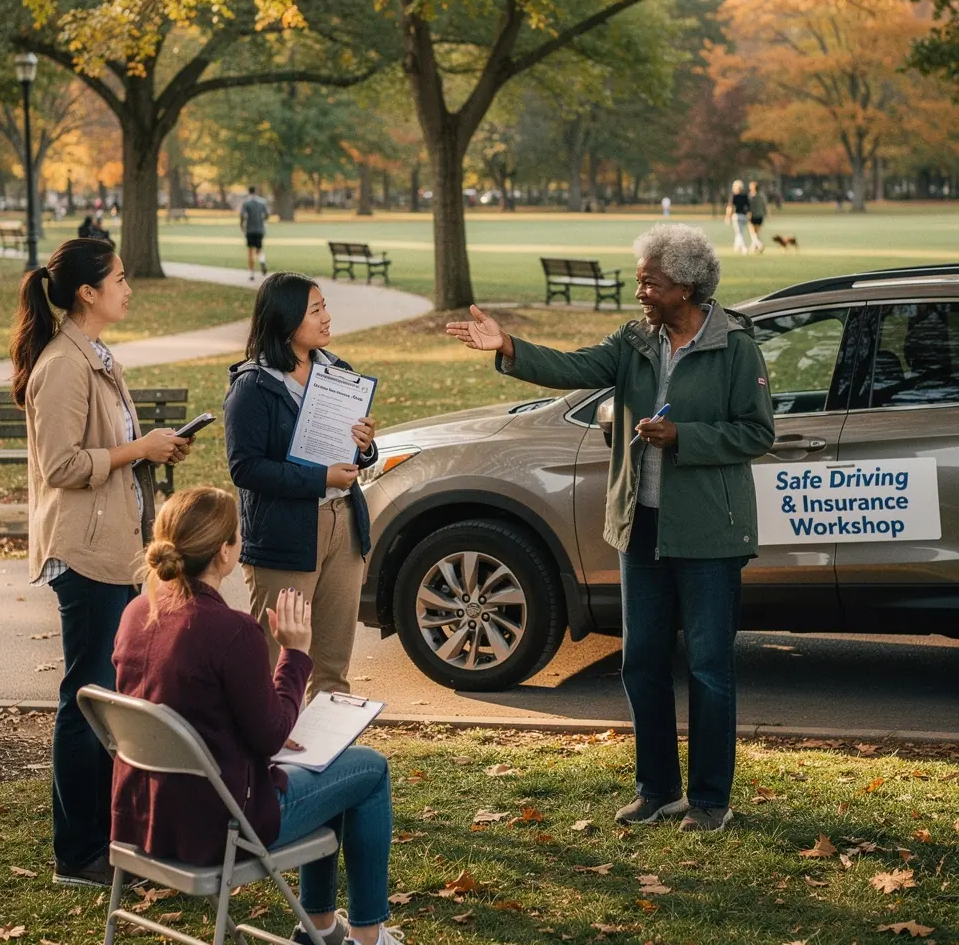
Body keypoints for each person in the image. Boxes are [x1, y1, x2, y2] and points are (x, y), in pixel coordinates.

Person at [445, 223, 775, 833]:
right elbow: (574, 366)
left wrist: (684, 437)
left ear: (686, 287)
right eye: (640, 280)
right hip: (640, 526)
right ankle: (658, 791)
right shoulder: (634, 340)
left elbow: (757, 433)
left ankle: (710, 800)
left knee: (708, 667)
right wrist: (508, 345)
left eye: (651, 282)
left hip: (708, 533)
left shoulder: (735, 347)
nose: (640, 291)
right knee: (640, 661)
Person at [112, 487, 397, 945]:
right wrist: (295, 654)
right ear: (225, 552)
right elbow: (270, 734)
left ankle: (320, 929)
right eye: (237, 535)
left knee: (322, 764)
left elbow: (187, 709)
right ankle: (366, 937)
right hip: (224, 827)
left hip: (147, 816)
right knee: (369, 769)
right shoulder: (232, 630)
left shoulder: (136, 612)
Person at [9, 238, 192, 886]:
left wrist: (153, 448)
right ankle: (78, 852)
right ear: (87, 293)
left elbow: (110, 447)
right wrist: (137, 449)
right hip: (82, 553)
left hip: (115, 550)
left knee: (107, 700)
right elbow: (61, 465)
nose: (128, 288)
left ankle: (111, 842)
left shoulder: (96, 356)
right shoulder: (63, 365)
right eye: (118, 279)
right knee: (85, 702)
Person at [224, 272, 378, 696]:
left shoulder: (338, 372)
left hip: (344, 524)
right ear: (286, 319)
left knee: (332, 669)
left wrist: (365, 446)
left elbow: (353, 451)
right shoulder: (253, 386)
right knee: (275, 666)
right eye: (315, 310)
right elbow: (245, 468)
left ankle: (329, 741)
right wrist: (319, 478)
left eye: (324, 307)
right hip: (284, 534)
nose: (327, 317)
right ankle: (268, 742)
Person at [241, 185, 270, 281]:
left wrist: (242, 227)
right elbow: (267, 215)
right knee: (259, 249)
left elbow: (243, 216)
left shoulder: (246, 203)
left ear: (248, 192)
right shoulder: (262, 202)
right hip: (259, 229)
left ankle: (251, 274)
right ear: (256, 191)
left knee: (250, 252)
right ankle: (262, 260)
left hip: (250, 230)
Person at [724, 180, 750, 254]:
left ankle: (744, 248)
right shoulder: (745, 196)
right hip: (744, 216)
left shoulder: (734, 196)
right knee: (739, 232)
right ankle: (736, 247)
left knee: (739, 233)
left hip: (736, 216)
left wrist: (727, 217)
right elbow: (748, 207)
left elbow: (730, 207)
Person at [747, 181, 766, 254]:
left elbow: (748, 207)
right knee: (756, 234)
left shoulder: (750, 196)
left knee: (753, 234)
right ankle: (753, 248)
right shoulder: (761, 196)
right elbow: (764, 206)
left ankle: (760, 245)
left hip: (752, 216)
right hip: (760, 216)